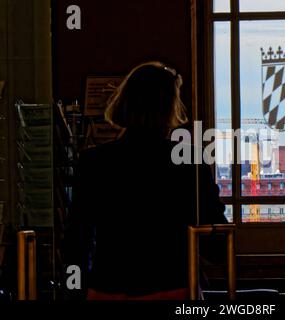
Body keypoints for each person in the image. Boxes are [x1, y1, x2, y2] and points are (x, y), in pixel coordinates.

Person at [63, 61, 227, 300]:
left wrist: (75, 290)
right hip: (173, 286)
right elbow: (216, 245)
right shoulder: (189, 161)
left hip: (109, 287)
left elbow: (77, 239)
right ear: (170, 107)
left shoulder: (94, 161)